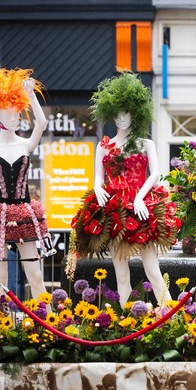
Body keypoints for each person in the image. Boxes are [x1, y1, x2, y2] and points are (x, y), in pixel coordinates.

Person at [71, 71, 179, 308]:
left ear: (135, 113)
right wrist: (97, 187)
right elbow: (98, 177)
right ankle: (127, 318)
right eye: (117, 114)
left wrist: (140, 197)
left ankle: (171, 316)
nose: (121, 118)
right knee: (121, 273)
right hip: (115, 211)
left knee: (153, 270)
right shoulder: (104, 146)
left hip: (142, 210)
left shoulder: (145, 143)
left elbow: (155, 174)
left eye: (126, 113)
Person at [0, 68, 53, 300]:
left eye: (17, 114)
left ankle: (46, 319)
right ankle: (0, 319)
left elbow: (42, 122)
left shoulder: (25, 144)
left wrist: (31, 95)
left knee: (35, 274)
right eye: (9, 114)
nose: (15, 118)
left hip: (23, 211)